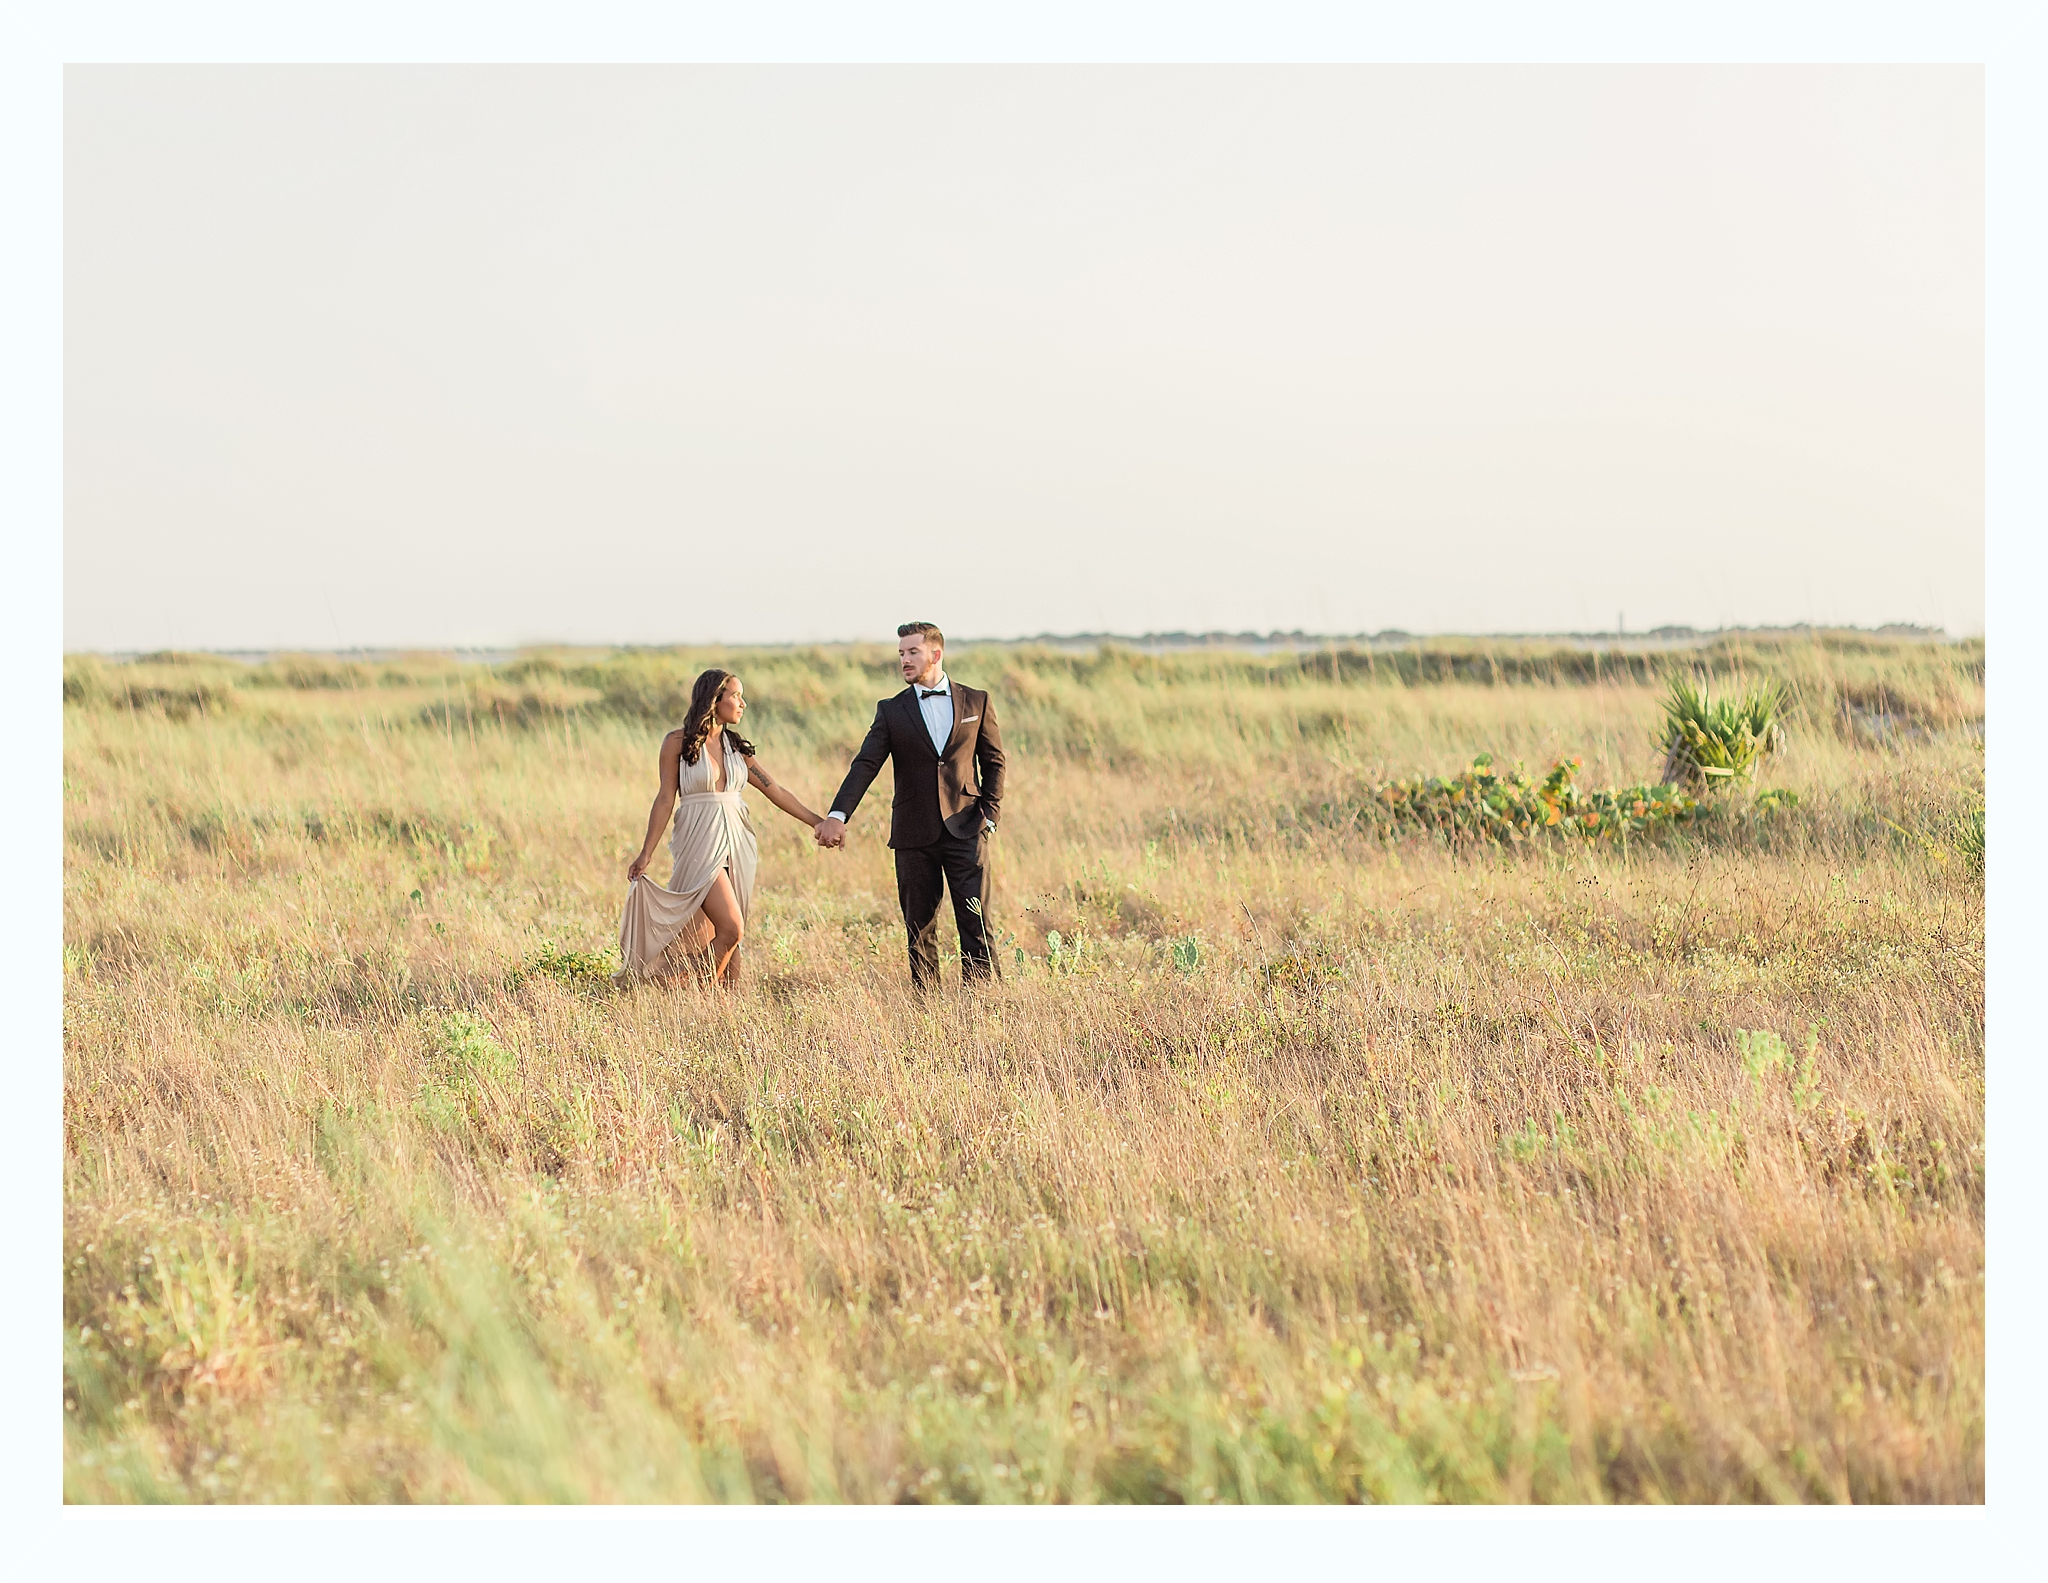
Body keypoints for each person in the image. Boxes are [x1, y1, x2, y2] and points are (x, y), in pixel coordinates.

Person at [814, 622, 1007, 992]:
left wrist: (990, 814)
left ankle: (984, 1004)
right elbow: (865, 764)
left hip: (968, 827)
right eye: (901, 653)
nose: (904, 659)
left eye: (912, 652)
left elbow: (994, 761)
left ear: (936, 654)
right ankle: (926, 1007)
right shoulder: (891, 710)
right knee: (919, 928)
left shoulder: (976, 701)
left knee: (976, 921)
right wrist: (838, 815)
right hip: (912, 833)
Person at [617, 668, 827, 987]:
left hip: (738, 844)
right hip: (699, 842)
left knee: (730, 938)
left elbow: (776, 790)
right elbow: (664, 799)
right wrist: (646, 852)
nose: (743, 703)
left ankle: (723, 1006)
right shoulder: (677, 743)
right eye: (736, 696)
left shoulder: (736, 748)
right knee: (732, 928)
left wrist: (818, 822)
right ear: (715, 699)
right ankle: (673, 979)